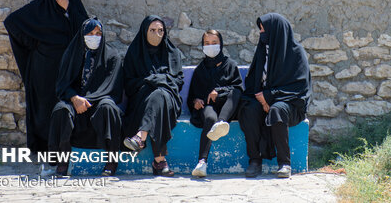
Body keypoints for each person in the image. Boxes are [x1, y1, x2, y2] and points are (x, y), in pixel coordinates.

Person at [3, 0, 88, 161]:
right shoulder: (40, 8)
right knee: (44, 109)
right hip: (43, 70)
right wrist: (33, 45)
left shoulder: (74, 8)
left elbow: (85, 31)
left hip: (67, 70)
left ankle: (64, 151)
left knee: (64, 108)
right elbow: (11, 22)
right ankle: (46, 151)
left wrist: (68, 9)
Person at [238, 13, 311, 178]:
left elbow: (299, 87)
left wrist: (270, 97)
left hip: (290, 104)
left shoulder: (296, 53)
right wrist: (261, 97)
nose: (260, 33)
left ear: (275, 31)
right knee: (248, 110)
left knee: (277, 110)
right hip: (263, 98)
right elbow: (254, 79)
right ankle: (255, 160)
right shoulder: (263, 50)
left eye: (263, 29)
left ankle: (284, 163)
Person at [48, 18, 123, 176]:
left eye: (98, 33)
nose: (94, 36)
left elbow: (112, 87)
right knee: (61, 109)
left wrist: (88, 100)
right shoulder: (71, 54)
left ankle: (111, 161)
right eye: (90, 33)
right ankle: (62, 160)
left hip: (99, 102)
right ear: (82, 35)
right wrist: (75, 99)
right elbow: (62, 85)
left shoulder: (112, 57)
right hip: (75, 102)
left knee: (109, 108)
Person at [122, 15, 184, 176]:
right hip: (142, 99)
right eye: (152, 30)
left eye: (160, 30)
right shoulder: (135, 53)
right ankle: (159, 161)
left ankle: (140, 136)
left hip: (170, 100)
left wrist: (154, 80)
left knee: (160, 95)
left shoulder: (172, 53)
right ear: (144, 31)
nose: (157, 34)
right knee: (158, 95)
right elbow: (128, 83)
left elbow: (178, 82)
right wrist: (152, 82)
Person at [187, 30, 243, 178]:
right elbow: (193, 95)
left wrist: (218, 91)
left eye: (214, 43)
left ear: (221, 44)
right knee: (210, 119)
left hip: (228, 107)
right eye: (207, 43)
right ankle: (202, 163)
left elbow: (237, 87)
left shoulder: (230, 65)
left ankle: (221, 123)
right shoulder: (201, 69)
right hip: (209, 106)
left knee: (235, 92)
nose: (210, 46)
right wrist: (196, 101)